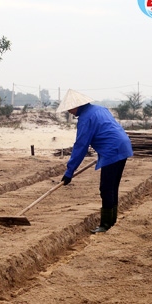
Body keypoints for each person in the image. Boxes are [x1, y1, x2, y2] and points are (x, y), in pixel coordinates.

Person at [58, 89, 133, 234]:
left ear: (76, 105)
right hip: (123, 146)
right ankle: (112, 222)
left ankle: (106, 224)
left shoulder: (86, 118)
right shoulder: (100, 109)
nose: (69, 112)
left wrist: (69, 172)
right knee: (113, 187)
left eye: (69, 108)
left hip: (112, 150)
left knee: (106, 188)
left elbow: (81, 146)